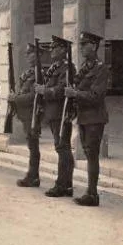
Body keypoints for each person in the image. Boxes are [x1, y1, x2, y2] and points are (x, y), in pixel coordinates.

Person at [64, 31, 110, 206]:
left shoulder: (101, 68)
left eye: (85, 44)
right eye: (81, 45)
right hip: (84, 117)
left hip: (95, 118)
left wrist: (75, 93)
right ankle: (90, 191)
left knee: (92, 155)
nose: (82, 48)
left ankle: (92, 193)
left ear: (94, 46)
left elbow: (96, 95)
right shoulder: (85, 67)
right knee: (88, 153)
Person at [34, 36, 76, 197]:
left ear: (64, 50)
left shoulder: (67, 68)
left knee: (62, 147)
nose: (52, 50)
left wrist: (45, 91)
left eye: (55, 48)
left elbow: (61, 89)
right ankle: (66, 184)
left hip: (61, 112)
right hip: (53, 113)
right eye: (51, 48)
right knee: (61, 147)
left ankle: (63, 184)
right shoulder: (55, 67)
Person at [10, 43, 42, 187]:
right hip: (25, 114)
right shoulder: (29, 72)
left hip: (33, 113)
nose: (28, 56)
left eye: (31, 54)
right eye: (27, 54)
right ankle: (32, 174)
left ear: (38, 55)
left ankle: (33, 175)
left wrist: (15, 99)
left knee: (33, 145)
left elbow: (33, 96)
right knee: (31, 145)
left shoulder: (38, 74)